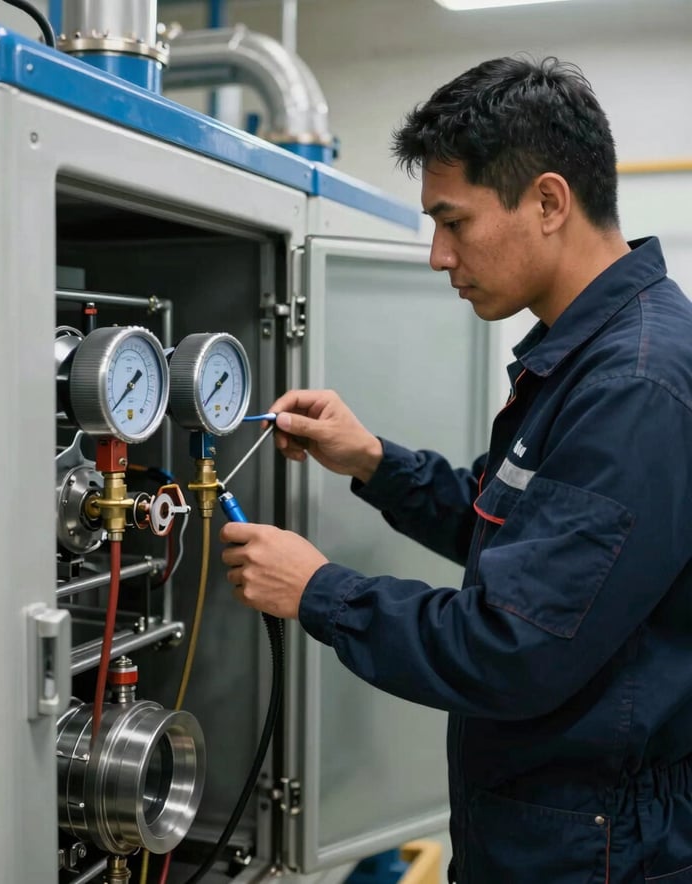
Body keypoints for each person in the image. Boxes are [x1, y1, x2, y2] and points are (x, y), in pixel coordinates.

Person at [220, 56, 692, 883]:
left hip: (595, 851)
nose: (439, 255)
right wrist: (372, 462)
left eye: (454, 221)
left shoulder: (633, 386)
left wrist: (318, 590)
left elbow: (513, 647)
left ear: (548, 202)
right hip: (551, 823)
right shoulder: (589, 357)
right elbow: (512, 531)